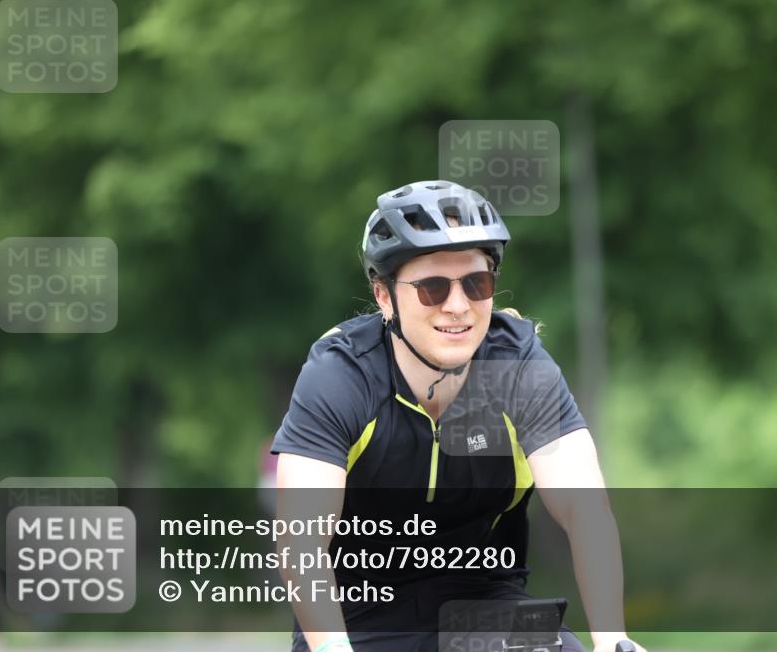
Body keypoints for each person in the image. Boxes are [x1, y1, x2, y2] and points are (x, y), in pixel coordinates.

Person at [271, 180, 644, 652]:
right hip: (357, 616)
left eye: (476, 283)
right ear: (384, 296)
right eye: (431, 287)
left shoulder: (518, 366)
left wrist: (615, 640)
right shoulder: (341, 375)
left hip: (488, 608)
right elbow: (301, 542)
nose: (458, 305)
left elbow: (586, 510)